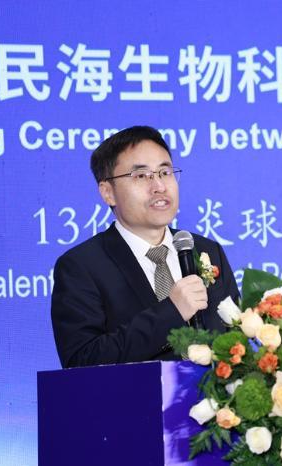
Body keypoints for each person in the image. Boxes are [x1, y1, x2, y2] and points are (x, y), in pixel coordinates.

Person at [51, 126, 240, 368]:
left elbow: (236, 342)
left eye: (165, 172)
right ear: (108, 193)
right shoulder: (81, 266)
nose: (159, 186)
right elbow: (82, 361)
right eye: (141, 176)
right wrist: (172, 312)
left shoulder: (207, 251)